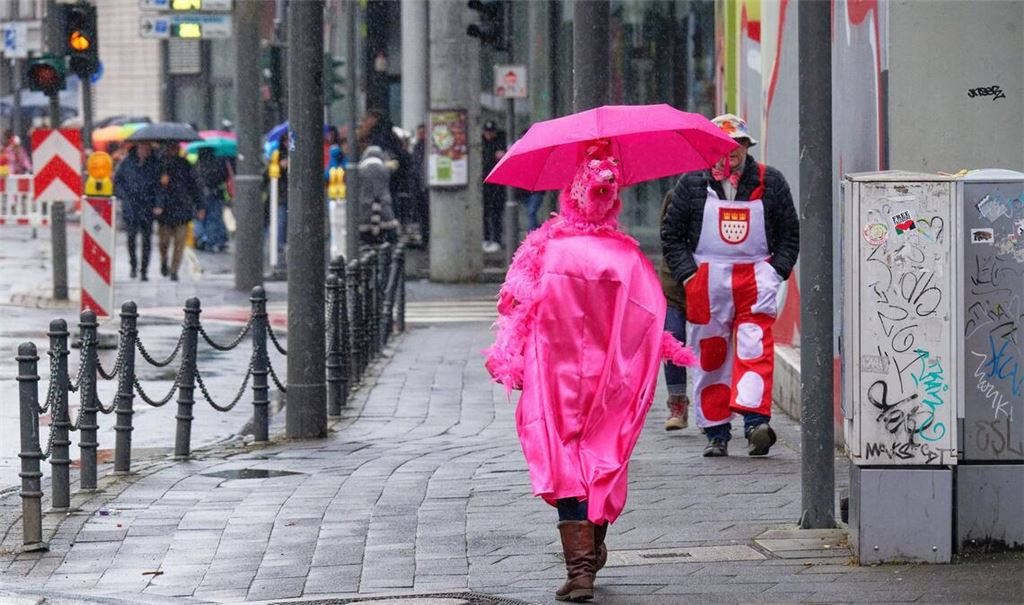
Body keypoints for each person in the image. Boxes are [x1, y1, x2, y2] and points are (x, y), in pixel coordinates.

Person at [485, 140, 696, 602]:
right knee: (601, 460)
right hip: (611, 382)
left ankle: (580, 570)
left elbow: (514, 308)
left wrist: (512, 360)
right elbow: (650, 321)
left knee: (563, 463)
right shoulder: (628, 260)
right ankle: (592, 547)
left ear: (569, 196)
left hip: (554, 381)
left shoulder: (545, 254)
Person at [661, 114, 800, 457]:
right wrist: (690, 276)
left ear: (746, 147)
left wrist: (774, 273)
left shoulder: (772, 182)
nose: (730, 152)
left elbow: (789, 236)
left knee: (755, 350)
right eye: (723, 145)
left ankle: (756, 425)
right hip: (708, 282)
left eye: (737, 145)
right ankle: (715, 431)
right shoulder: (691, 184)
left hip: (755, 278)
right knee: (710, 354)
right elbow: (672, 236)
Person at [658, 191, 690, 430]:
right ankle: (677, 403)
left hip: (712, 279)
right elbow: (666, 237)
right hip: (674, 282)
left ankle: (714, 412)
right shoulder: (677, 194)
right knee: (673, 336)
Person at [154, 142, 201, 282]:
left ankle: (174, 270)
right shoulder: (160, 165)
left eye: (176, 147)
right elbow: (153, 188)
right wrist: (161, 184)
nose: (174, 150)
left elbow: (195, 186)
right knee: (164, 242)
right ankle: (164, 261)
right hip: (165, 211)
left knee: (180, 243)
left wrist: (200, 206)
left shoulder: (186, 165)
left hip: (183, 209)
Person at [113, 143, 159, 281]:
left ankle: (144, 270)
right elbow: (118, 181)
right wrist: (124, 196)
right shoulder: (127, 162)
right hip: (131, 206)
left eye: (147, 149)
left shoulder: (154, 164)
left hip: (147, 207)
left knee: (147, 240)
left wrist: (157, 204)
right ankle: (133, 265)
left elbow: (158, 187)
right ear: (138, 148)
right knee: (131, 238)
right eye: (143, 148)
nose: (145, 151)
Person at [356, 145, 398, 245]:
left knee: (366, 242)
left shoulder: (360, 170)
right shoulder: (384, 169)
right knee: (386, 243)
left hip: (364, 210)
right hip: (384, 210)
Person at [194, 148, 231, 252]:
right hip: (215, 193)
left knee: (199, 217)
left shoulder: (198, 162)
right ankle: (210, 241)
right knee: (213, 218)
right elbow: (224, 176)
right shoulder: (218, 161)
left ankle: (199, 238)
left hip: (200, 193)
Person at [481, 120, 507, 252]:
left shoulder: (501, 142)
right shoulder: (481, 144)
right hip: (484, 184)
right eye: (487, 132)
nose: (489, 135)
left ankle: (496, 239)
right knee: (485, 213)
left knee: (496, 213)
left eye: (491, 132)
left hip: (497, 185)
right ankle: (486, 238)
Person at [409, 123, 429, 245]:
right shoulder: (417, 147)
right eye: (419, 133)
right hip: (418, 185)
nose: (420, 135)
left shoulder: (424, 147)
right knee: (423, 214)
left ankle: (425, 237)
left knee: (425, 214)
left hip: (423, 184)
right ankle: (424, 237)